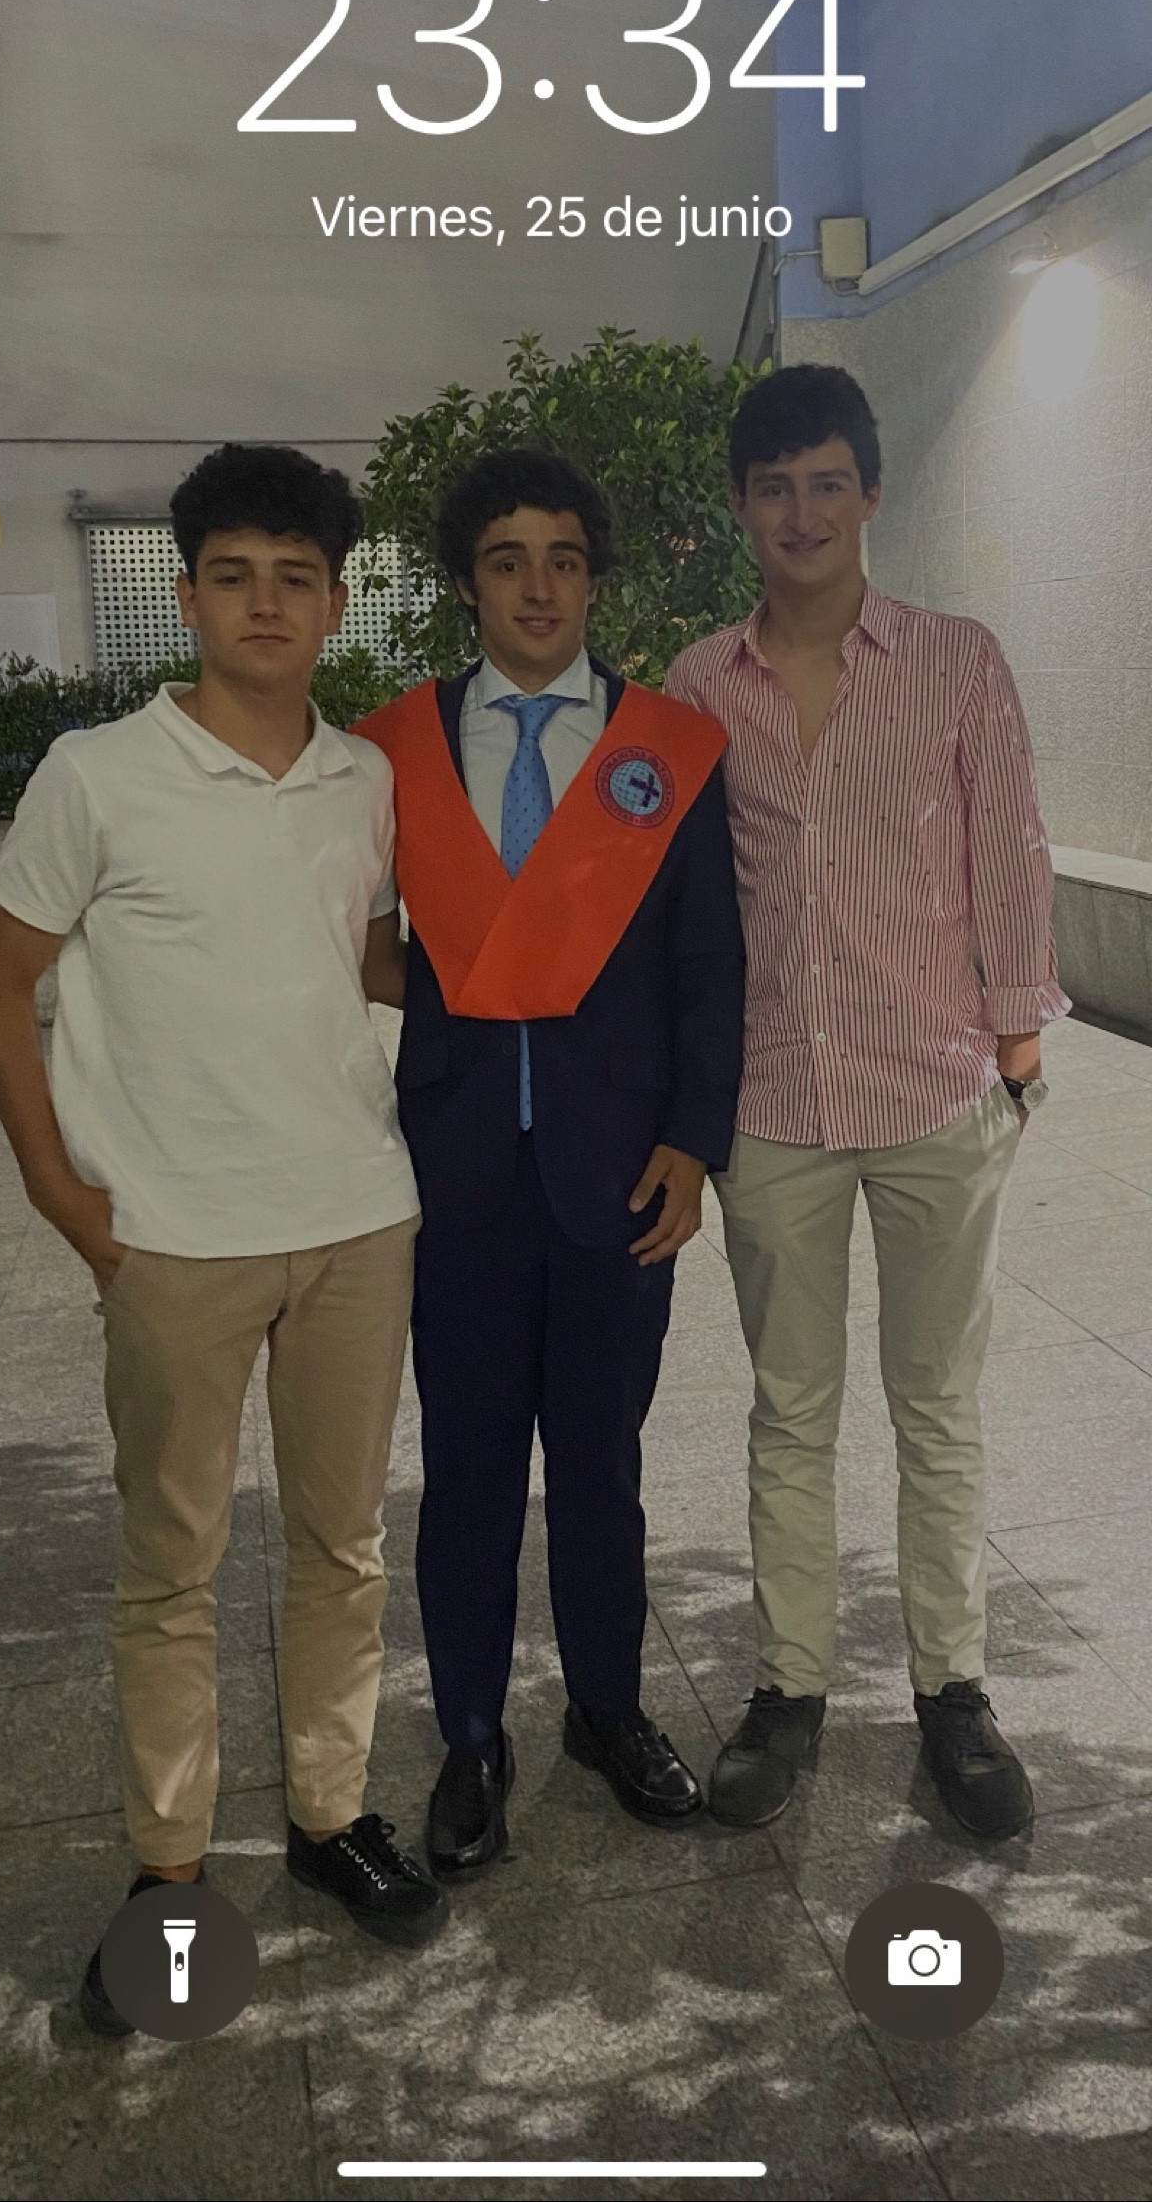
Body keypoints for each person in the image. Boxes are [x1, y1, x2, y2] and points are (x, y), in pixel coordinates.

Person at [0, 444, 445, 2037]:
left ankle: (329, 1814)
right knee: (171, 1563)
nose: (265, 604)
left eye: (297, 578)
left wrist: (542, 984)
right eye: (234, 576)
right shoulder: (97, 773)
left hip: (355, 1217)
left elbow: (364, 957)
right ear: (184, 598)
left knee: (343, 1545)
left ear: (334, 603)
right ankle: (168, 1867)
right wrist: (59, 1189)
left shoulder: (364, 779)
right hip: (173, 1236)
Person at [666, 365, 1068, 1841]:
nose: (802, 512)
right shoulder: (700, 688)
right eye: (774, 488)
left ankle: (953, 1689)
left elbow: (1009, 851)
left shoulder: (958, 663)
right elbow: (684, 905)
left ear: (871, 494)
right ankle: (789, 1688)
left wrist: (1013, 1047)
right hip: (775, 1101)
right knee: (791, 1408)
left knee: (937, 1404)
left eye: (827, 482)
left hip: (933, 1093)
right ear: (741, 507)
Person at [355, 448, 745, 1878]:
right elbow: (360, 940)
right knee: (464, 1466)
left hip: (618, 1172)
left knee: (601, 1457)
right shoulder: (393, 751)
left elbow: (710, 963)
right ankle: (471, 1735)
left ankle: (606, 1707)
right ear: (467, 581)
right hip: (453, 1171)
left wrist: (695, 1141)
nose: (539, 586)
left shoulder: (670, 749)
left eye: (565, 559)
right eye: (508, 559)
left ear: (594, 579)